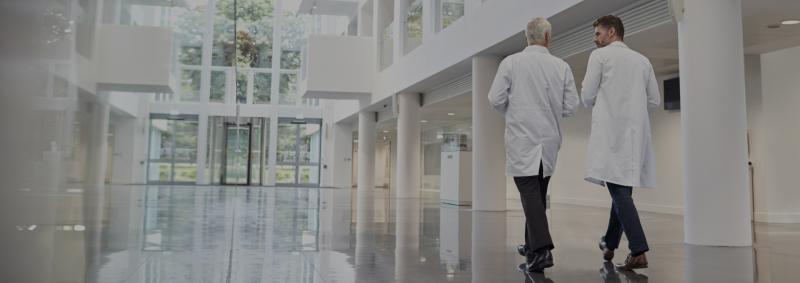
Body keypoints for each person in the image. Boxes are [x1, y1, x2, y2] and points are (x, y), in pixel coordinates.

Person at [488, 17, 578, 273]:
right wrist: (551, 112)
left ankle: (542, 250)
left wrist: (514, 113)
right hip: (548, 141)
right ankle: (531, 248)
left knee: (530, 196)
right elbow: (571, 106)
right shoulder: (561, 66)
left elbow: (495, 99)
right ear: (548, 37)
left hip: (522, 139)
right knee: (536, 197)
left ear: (526, 37)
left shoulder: (511, 62)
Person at [581, 15, 661, 270]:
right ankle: (609, 242)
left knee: (618, 191)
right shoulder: (642, 60)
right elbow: (654, 101)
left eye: (598, 33)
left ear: (612, 32)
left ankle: (638, 249)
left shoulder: (600, 57)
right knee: (621, 190)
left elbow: (587, 96)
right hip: (635, 136)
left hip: (611, 133)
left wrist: (608, 101)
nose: (595, 39)